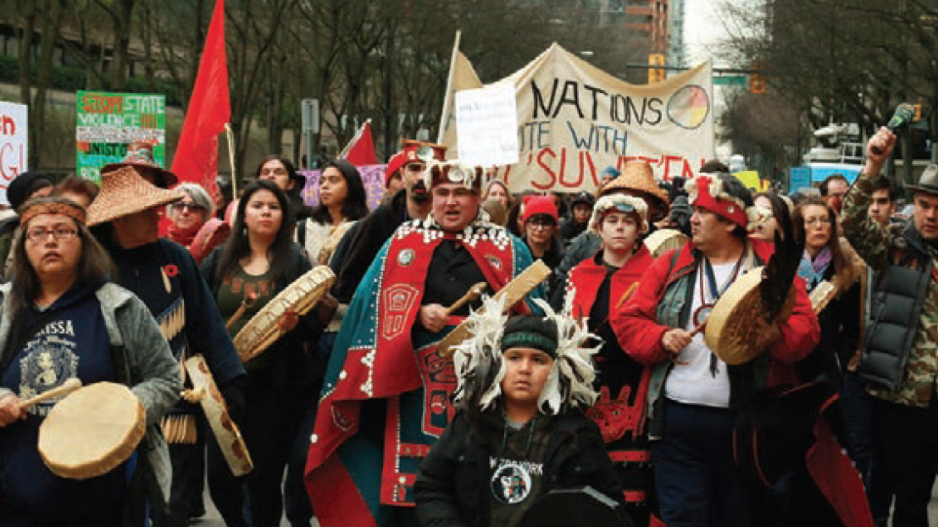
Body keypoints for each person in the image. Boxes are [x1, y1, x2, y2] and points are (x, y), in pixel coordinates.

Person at [305, 157, 544, 527]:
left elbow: (536, 320)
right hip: (412, 389)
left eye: (462, 193)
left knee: (481, 492)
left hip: (487, 389)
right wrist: (416, 313)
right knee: (411, 496)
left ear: (478, 198)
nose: (451, 202)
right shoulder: (403, 241)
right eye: (443, 193)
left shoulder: (510, 249)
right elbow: (370, 308)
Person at [612, 173, 819, 527]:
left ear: (730, 221)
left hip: (744, 423)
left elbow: (807, 330)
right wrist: (660, 337)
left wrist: (772, 335)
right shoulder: (672, 263)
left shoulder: (771, 267)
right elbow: (628, 320)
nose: (691, 218)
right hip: (677, 420)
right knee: (682, 517)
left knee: (737, 516)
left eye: (702, 211)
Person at [0, 197, 181, 526]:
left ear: (84, 242)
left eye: (63, 231)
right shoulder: (4, 307)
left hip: (101, 497)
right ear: (23, 246)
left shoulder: (121, 307)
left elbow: (166, 379)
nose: (51, 241)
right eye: (38, 233)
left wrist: (119, 406)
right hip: (14, 493)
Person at [87, 167, 247, 527]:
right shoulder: (91, 266)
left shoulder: (175, 257)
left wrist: (231, 380)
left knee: (173, 505)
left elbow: (206, 324)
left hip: (178, 404)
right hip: (111, 407)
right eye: (147, 211)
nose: (159, 216)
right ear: (119, 219)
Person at [414, 305, 624, 527]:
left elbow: (607, 506)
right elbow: (431, 487)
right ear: (497, 365)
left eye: (538, 360)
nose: (524, 368)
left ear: (556, 370)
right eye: (514, 357)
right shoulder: (470, 423)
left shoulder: (578, 435)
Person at [201, 179, 326, 527]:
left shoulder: (296, 263)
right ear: (243, 215)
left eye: (273, 207)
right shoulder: (218, 261)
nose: (265, 212)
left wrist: (295, 326)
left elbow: (314, 326)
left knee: (264, 478)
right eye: (257, 206)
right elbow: (198, 315)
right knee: (221, 478)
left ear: (284, 216)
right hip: (223, 386)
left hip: (273, 387)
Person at [841, 128, 938, 527]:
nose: (931, 215)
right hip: (901, 396)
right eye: (924, 205)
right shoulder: (894, 244)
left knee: (917, 499)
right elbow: (849, 221)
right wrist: (874, 165)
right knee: (892, 494)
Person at [554, 194, 657, 525]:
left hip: (632, 386)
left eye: (628, 223)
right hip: (582, 391)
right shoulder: (578, 274)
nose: (620, 229)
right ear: (598, 227)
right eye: (612, 222)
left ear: (639, 229)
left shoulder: (655, 275)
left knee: (629, 496)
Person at [329, 140, 446, 304]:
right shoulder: (377, 223)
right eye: (414, 168)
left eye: (430, 170)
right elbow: (349, 286)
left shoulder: (452, 224)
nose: (421, 177)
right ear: (402, 174)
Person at [556, 161, 669, 289]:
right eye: (626, 197)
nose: (632, 204)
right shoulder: (587, 241)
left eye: (640, 200)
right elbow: (562, 279)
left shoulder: (664, 246)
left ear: (653, 207)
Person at [299, 159, 369, 266]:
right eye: (322, 181)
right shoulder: (304, 228)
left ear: (351, 185)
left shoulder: (364, 228)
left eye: (334, 180)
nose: (325, 186)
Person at [0, 171, 55, 282]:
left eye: (52, 197)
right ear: (22, 204)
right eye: (39, 198)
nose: (47, 203)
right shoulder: (6, 234)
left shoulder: (65, 233)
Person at [521, 196, 564, 294]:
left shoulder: (564, 259)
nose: (540, 229)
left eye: (546, 223)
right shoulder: (515, 256)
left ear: (554, 227)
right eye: (534, 222)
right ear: (526, 224)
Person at [256, 155, 310, 223]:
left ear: (290, 184)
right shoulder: (246, 209)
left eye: (278, 173)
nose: (271, 176)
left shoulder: (304, 219)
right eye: (265, 172)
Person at [165, 183, 215, 250]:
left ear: (204, 213)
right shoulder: (158, 246)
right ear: (170, 210)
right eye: (179, 205)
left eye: (193, 207)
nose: (185, 211)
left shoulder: (213, 246)